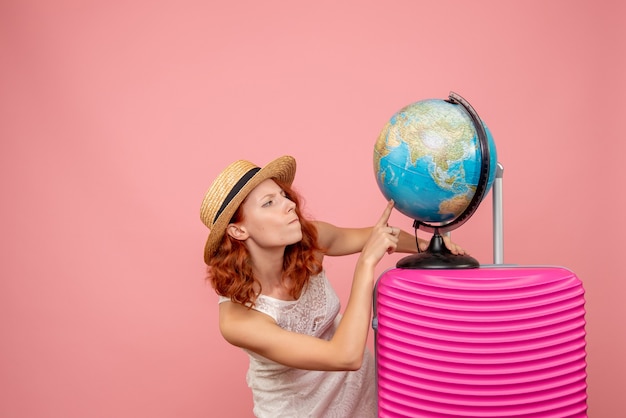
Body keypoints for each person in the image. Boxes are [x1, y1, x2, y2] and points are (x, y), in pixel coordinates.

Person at [199, 155, 466, 418]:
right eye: (269, 203)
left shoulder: (309, 240)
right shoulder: (238, 321)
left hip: (363, 399)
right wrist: (365, 264)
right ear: (238, 231)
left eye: (283, 195)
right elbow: (345, 356)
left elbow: (378, 236)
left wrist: (431, 246)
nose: (289, 205)